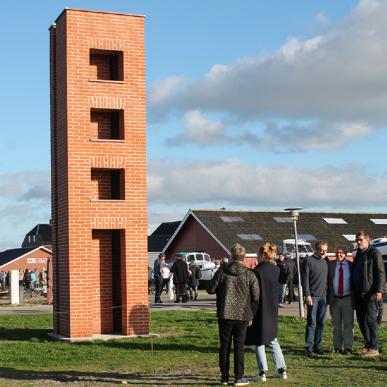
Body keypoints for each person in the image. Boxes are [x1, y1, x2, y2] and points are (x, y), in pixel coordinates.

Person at [207, 243, 260, 386]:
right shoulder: (250, 274)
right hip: (243, 315)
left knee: (224, 346)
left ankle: (224, 377)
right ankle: (238, 377)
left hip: (225, 314)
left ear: (231, 256)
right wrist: (251, 315)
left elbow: (210, 289)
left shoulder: (222, 271)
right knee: (239, 347)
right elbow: (256, 297)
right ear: (244, 257)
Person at [245, 242, 288, 381]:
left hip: (259, 308)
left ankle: (262, 372)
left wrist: (250, 312)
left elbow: (254, 294)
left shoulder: (257, 271)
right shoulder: (275, 270)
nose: (256, 257)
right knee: (273, 339)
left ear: (262, 255)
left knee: (259, 340)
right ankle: (281, 369)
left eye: (257, 255)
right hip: (272, 308)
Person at [352, 231, 385, 357]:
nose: (358, 242)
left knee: (371, 320)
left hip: (370, 293)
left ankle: (374, 347)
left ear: (368, 239)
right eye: (357, 240)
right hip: (359, 293)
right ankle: (367, 344)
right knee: (361, 320)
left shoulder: (374, 253)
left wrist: (379, 290)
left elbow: (380, 273)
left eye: (361, 239)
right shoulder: (359, 253)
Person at [302, 240, 328, 357]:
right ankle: (309, 347)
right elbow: (305, 279)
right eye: (321, 250)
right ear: (316, 249)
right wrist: (307, 295)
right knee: (311, 323)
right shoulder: (308, 260)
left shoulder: (325, 261)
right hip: (313, 296)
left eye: (325, 250)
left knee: (321, 323)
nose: (323, 252)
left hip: (323, 297)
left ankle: (318, 346)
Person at [327, 245, 354, 354]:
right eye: (337, 252)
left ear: (346, 253)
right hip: (335, 299)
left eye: (341, 252)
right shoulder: (331, 265)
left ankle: (348, 347)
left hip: (348, 299)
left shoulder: (351, 266)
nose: (339, 254)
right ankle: (337, 347)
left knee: (348, 324)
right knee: (336, 325)